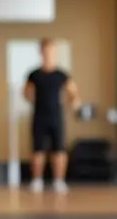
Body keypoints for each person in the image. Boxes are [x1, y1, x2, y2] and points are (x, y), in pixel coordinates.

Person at [24, 38, 81, 193]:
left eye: (50, 51)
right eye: (45, 51)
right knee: (37, 150)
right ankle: (37, 181)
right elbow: (27, 93)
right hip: (39, 116)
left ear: (54, 52)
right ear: (41, 52)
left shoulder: (61, 75)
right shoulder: (34, 74)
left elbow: (73, 92)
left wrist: (73, 103)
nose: (48, 54)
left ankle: (59, 181)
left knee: (59, 150)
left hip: (56, 117)